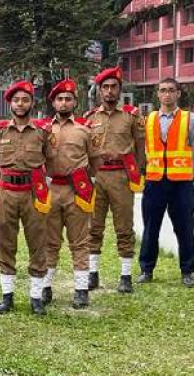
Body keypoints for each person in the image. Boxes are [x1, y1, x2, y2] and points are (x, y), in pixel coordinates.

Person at [0, 80, 55, 316]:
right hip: (7, 192)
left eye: (25, 100)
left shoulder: (42, 132)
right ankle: (7, 296)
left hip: (33, 192)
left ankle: (36, 296)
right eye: (16, 100)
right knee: (4, 242)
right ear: (10, 103)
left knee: (38, 241)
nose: (20, 104)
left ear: (32, 102)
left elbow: (49, 160)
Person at [85, 66, 144, 293]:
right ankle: (92, 274)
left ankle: (126, 275)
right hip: (97, 177)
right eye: (105, 87)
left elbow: (140, 148)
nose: (109, 91)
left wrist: (136, 173)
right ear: (99, 91)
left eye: (113, 87)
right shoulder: (90, 118)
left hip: (121, 176)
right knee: (94, 226)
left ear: (119, 90)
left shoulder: (131, 116)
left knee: (124, 227)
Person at [42, 79, 99, 309]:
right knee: (49, 241)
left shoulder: (86, 128)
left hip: (77, 189)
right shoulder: (45, 129)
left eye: (68, 99)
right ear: (53, 102)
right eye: (60, 99)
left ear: (75, 101)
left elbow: (95, 160)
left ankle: (81, 289)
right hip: (52, 188)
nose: (64, 103)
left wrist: (86, 178)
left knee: (80, 241)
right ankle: (45, 287)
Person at [138, 78, 194, 286]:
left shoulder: (189, 119)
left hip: (182, 183)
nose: (167, 94)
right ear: (158, 94)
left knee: (185, 228)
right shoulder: (148, 119)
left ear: (179, 93)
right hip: (154, 182)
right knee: (151, 227)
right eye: (163, 90)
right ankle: (146, 269)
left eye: (171, 90)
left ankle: (188, 271)